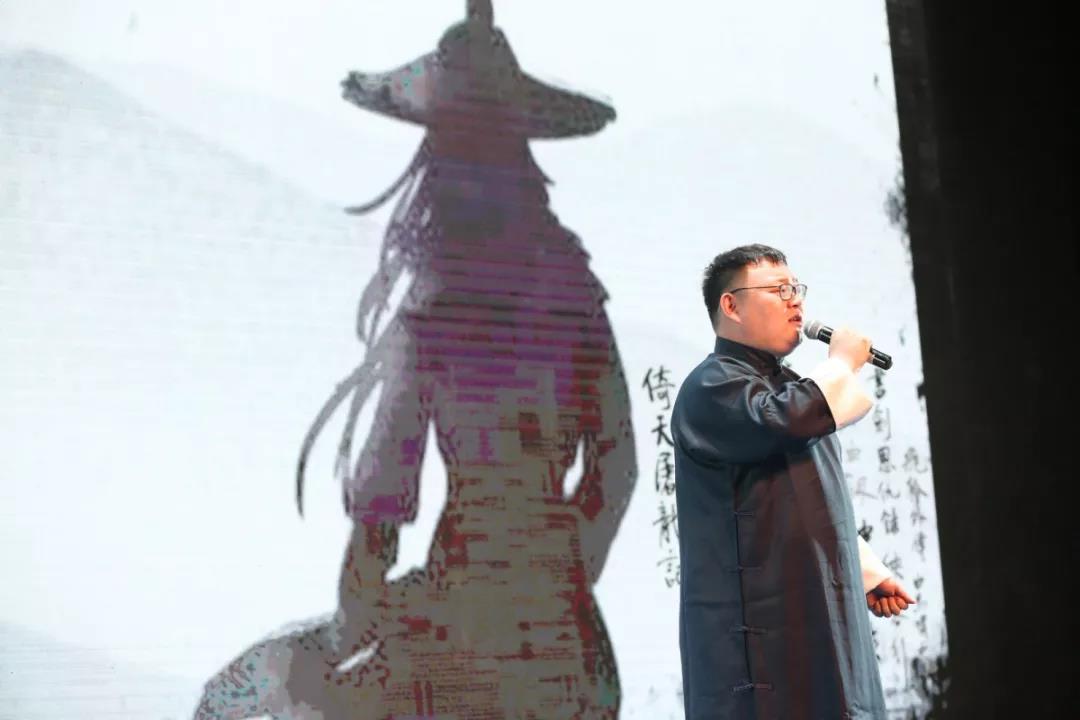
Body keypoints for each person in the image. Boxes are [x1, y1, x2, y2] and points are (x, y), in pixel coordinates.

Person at [671, 244, 915, 720]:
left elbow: (807, 495)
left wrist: (862, 569)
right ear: (731, 305)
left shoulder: (785, 385)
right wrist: (841, 363)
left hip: (814, 601)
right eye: (779, 290)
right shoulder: (711, 386)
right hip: (761, 631)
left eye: (796, 289)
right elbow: (784, 420)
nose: (796, 301)